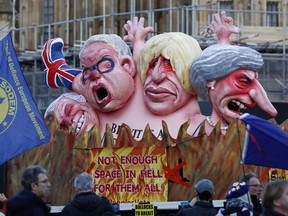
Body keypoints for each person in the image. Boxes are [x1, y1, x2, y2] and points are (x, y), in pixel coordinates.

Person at [190, 11, 278, 135]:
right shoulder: (191, 133)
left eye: (255, 81)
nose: (254, 94)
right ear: (211, 82)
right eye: (243, 81)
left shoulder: (253, 138)